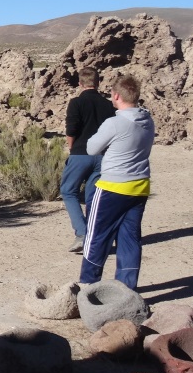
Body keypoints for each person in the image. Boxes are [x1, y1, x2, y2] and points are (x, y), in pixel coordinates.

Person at [79, 75, 155, 290]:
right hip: (139, 186)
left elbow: (91, 148)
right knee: (130, 239)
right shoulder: (147, 120)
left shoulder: (114, 123)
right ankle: (126, 290)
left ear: (117, 96)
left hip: (112, 187)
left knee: (96, 237)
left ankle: (88, 285)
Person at [61, 67, 115, 253]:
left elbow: (71, 129)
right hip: (102, 156)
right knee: (93, 197)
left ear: (80, 83)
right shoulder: (108, 105)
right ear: (98, 83)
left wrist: (72, 148)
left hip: (80, 154)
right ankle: (94, 237)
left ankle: (82, 233)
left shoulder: (76, 103)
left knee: (68, 191)